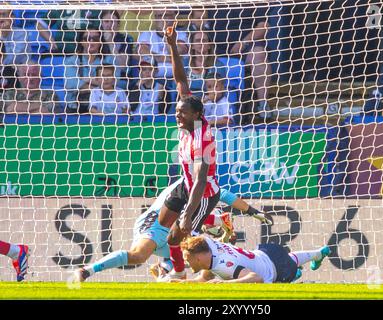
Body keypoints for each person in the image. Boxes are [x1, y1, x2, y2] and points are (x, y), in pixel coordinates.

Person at [71, 178, 270, 283]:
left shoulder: (202, 196)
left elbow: (206, 219)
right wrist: (250, 211)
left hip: (173, 230)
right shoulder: (193, 182)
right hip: (157, 224)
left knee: (192, 255)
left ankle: (164, 270)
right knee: (138, 256)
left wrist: (222, 231)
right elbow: (222, 195)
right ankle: (86, 271)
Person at [152, 26, 221, 281]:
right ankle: (211, 222)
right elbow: (181, 81)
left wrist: (188, 215)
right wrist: (171, 45)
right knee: (163, 222)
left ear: (196, 115)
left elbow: (201, 181)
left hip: (203, 193)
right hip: (186, 184)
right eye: (177, 110)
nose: (177, 115)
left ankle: (181, 274)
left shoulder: (203, 139)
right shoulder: (189, 114)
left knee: (177, 234)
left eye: (181, 113)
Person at [170, 235, 330, 283]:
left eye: (187, 258)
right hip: (268, 252)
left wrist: (225, 283)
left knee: (289, 265)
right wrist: (181, 283)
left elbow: (256, 277)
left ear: (198, 257)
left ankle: (294, 275)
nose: (185, 262)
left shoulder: (224, 266)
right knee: (291, 258)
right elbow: (202, 280)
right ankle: (318, 253)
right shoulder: (208, 245)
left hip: (276, 270)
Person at [209, 5, 274, 120]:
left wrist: (242, 43)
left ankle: (263, 105)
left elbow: (263, 26)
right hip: (215, 50)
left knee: (259, 54)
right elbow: (199, 19)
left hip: (246, 48)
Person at [137, 9, 189, 79]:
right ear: (155, 19)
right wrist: (169, 59)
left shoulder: (182, 34)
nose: (163, 19)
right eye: (159, 16)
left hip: (177, 77)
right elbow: (143, 52)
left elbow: (177, 52)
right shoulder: (147, 34)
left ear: (174, 17)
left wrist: (166, 33)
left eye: (166, 15)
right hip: (152, 77)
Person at [100, 10, 135, 90]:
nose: (109, 25)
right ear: (101, 23)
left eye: (112, 22)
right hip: (99, 79)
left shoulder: (126, 39)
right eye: (106, 21)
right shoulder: (96, 37)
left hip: (120, 81)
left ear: (118, 24)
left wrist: (110, 42)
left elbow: (123, 65)